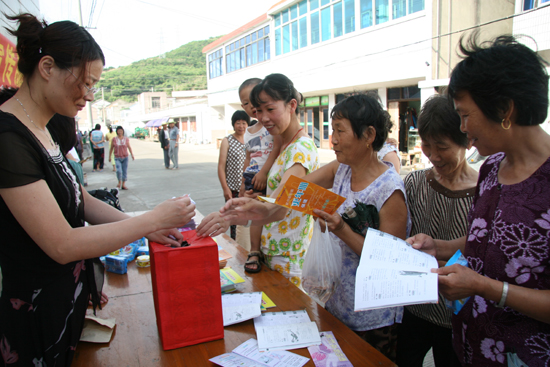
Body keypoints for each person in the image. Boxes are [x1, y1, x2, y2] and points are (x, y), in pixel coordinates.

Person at [0, 14, 195, 366]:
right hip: (35, 313)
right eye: (86, 83)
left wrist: (151, 226)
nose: (89, 95)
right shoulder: (8, 138)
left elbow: (81, 200)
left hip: (66, 300)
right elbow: (61, 244)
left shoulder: (44, 129)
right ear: (47, 67)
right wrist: (150, 218)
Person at [208, 94, 410, 361]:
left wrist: (341, 229)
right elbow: (293, 193)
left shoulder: (389, 190)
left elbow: (387, 260)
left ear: (369, 134)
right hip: (337, 302)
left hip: (373, 315)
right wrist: (258, 209)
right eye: (332, 130)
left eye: (340, 131)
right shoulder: (342, 169)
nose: (332, 140)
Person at [409, 34, 550, 367]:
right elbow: (487, 238)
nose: (462, 128)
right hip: (469, 348)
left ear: (504, 110)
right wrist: (439, 246)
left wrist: (485, 287)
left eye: (465, 115)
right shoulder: (491, 168)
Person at [199, 73, 319, 287]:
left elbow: (280, 207)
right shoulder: (282, 145)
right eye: (259, 110)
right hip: (272, 249)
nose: (263, 118)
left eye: (270, 109)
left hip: (288, 259)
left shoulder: (301, 149)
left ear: (292, 105)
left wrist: (231, 217)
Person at [396, 95, 478, 367]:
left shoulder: (484, 191)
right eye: (427, 146)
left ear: (465, 141)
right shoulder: (415, 183)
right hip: (414, 306)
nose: (433, 156)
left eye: (442, 146)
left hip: (457, 311)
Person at [238, 78, 283, 272]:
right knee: (255, 213)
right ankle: (254, 249)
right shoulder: (248, 131)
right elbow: (248, 157)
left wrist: (264, 172)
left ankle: (261, 249)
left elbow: (277, 147)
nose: (252, 107)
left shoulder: (271, 126)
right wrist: (242, 182)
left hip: (268, 174)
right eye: (247, 103)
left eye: (255, 101)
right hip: (253, 176)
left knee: (267, 211)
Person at [218, 110, 249, 240]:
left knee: (247, 223)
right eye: (238, 123)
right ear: (233, 124)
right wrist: (225, 188)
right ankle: (236, 251)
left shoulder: (250, 140)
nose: (241, 126)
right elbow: (221, 166)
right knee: (234, 222)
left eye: (244, 123)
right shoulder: (227, 140)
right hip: (233, 191)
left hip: (248, 190)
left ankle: (247, 249)